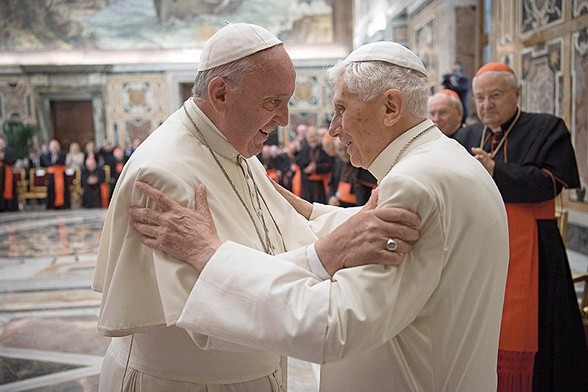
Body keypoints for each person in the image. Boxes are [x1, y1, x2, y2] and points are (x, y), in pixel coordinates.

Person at [129, 41, 511, 391]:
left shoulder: (414, 184)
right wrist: (307, 209)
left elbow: (334, 324)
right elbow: (395, 236)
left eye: (342, 109)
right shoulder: (448, 160)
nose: (334, 128)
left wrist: (210, 255)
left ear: (391, 107)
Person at [92, 23, 420, 392]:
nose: (284, 119)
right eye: (272, 102)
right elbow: (211, 315)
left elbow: (290, 239)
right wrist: (330, 253)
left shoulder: (239, 151)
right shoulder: (163, 173)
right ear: (220, 94)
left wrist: (353, 227)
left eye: (287, 102)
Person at [454, 62, 588, 392]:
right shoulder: (467, 135)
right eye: (480, 97)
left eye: (496, 96)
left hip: (534, 249)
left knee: (538, 332)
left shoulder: (547, 128)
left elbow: (551, 183)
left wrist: (496, 170)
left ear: (517, 93)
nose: (486, 105)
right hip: (478, 248)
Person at [295, 125, 334, 203]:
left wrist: (316, 168)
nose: (313, 139)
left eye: (314, 136)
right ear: (307, 138)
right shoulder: (304, 149)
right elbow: (299, 162)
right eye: (311, 136)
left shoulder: (324, 149)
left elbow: (330, 164)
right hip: (307, 185)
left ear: (318, 136)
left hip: (321, 185)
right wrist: (307, 169)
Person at [43, 139, 70, 210]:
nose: (54, 148)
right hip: (52, 176)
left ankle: (64, 204)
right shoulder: (47, 155)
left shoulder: (63, 154)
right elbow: (47, 163)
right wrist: (53, 159)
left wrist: (57, 159)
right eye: (53, 146)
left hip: (61, 175)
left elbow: (63, 162)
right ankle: (52, 205)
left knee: (63, 189)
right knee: (51, 190)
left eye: (56, 146)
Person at [0, 136, 18, 212]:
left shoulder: (9, 151)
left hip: (8, 174)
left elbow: (12, 161)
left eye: (1, 143)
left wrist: (3, 157)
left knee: (8, 190)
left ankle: (9, 207)